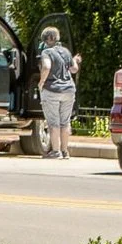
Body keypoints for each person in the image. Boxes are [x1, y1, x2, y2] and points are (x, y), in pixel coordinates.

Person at [37, 25, 80, 159]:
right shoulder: (66, 52)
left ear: (47, 40)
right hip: (68, 90)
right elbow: (74, 69)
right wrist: (76, 60)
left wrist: (41, 82)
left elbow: (46, 66)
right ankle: (65, 151)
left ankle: (56, 151)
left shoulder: (47, 52)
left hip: (52, 90)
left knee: (53, 122)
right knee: (65, 122)